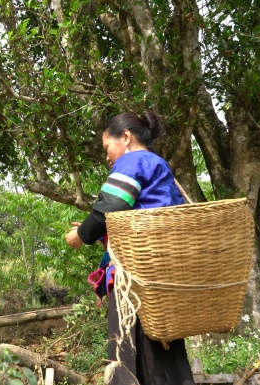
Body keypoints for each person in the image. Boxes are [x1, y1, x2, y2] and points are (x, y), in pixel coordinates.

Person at [65, 112, 196, 385]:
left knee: (131, 350)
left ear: (125, 137)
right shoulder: (160, 167)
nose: (107, 156)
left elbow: (107, 210)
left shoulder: (133, 161)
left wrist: (80, 235)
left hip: (135, 279)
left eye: (107, 147)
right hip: (162, 276)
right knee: (164, 353)